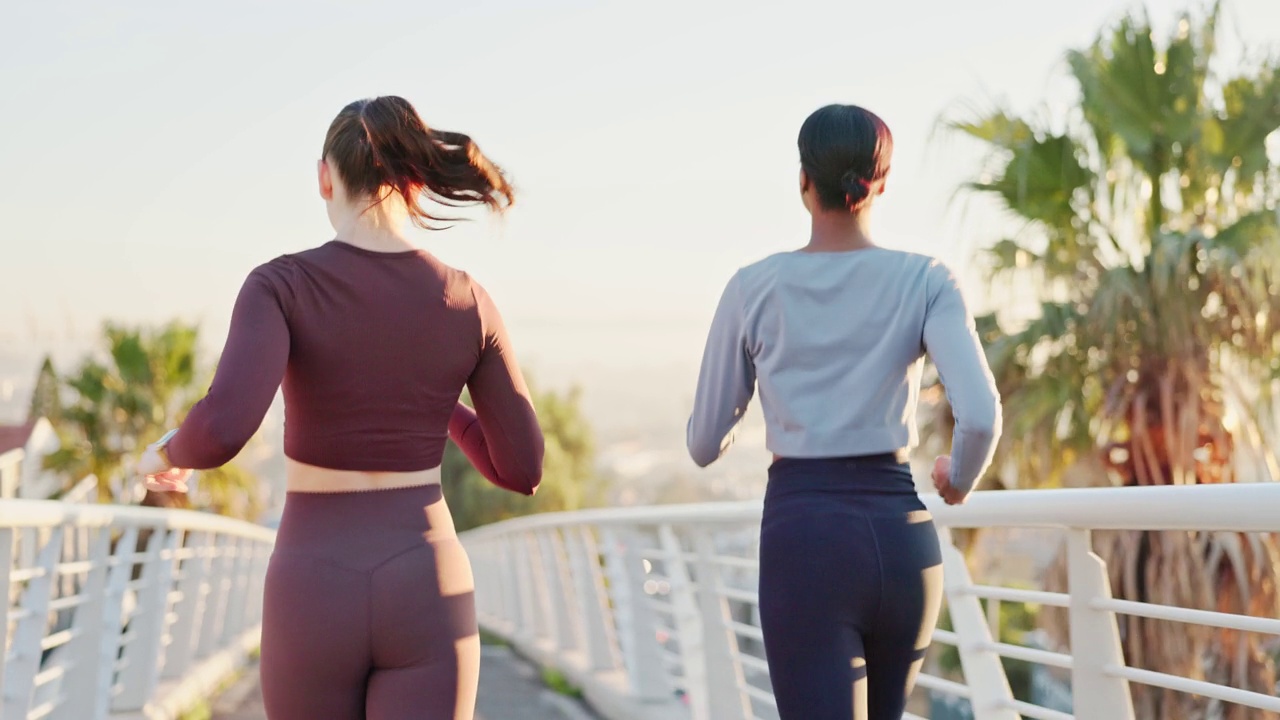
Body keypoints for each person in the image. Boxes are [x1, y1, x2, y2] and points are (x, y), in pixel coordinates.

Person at [134, 95, 545, 720]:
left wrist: (164, 454)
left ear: (324, 176)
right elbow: (522, 468)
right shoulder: (469, 301)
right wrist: (438, 404)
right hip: (428, 584)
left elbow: (220, 429)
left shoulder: (281, 286)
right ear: (412, 180)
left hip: (313, 583)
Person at [686, 104, 1001, 720]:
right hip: (901, 539)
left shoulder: (753, 287)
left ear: (803, 181)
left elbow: (703, 443)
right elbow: (982, 417)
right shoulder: (927, 280)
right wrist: (956, 480)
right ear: (880, 183)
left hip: (804, 542)